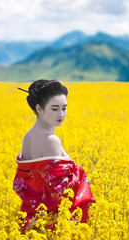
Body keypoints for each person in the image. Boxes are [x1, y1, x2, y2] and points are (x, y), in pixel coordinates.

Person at [13, 79, 95, 233]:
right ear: (39, 108)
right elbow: (63, 191)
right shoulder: (51, 140)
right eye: (55, 108)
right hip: (53, 226)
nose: (61, 114)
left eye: (64, 108)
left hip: (31, 221)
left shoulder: (28, 136)